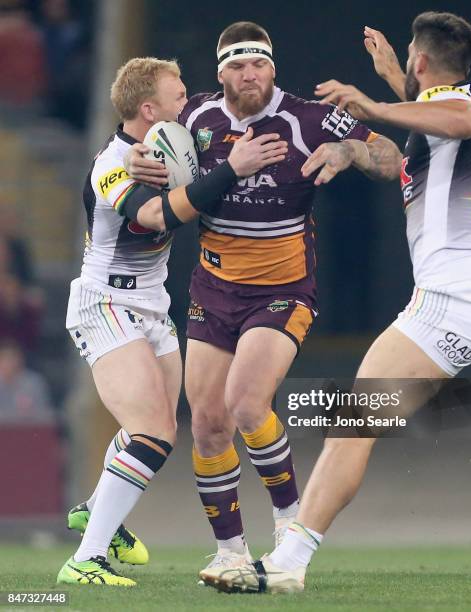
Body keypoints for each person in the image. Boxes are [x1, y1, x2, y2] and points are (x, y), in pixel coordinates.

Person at [200, 11, 471, 593]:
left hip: (455, 298)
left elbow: (458, 116)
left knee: (352, 425)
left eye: (408, 58)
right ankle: (288, 561)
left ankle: (288, 564)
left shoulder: (462, 110)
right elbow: (432, 119)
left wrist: (372, 106)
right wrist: (387, 91)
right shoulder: (445, 106)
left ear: (422, 62)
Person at [125, 21, 401, 577]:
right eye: (237, 65)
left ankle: (289, 521)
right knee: (207, 423)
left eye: (259, 64)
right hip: (212, 287)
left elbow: (392, 158)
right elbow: (144, 146)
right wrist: (135, 163)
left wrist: (349, 150)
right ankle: (229, 553)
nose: (249, 75)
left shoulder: (309, 117)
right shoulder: (196, 118)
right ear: (220, 71)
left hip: (282, 289)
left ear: (273, 67)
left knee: (248, 402)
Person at [57, 56, 287, 587]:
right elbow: (154, 215)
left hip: (154, 307)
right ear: (149, 108)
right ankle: (84, 559)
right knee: (152, 432)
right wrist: (233, 170)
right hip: (105, 304)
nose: (190, 102)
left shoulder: (176, 147)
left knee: (160, 428)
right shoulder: (111, 163)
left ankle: (97, 511)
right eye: (179, 95)